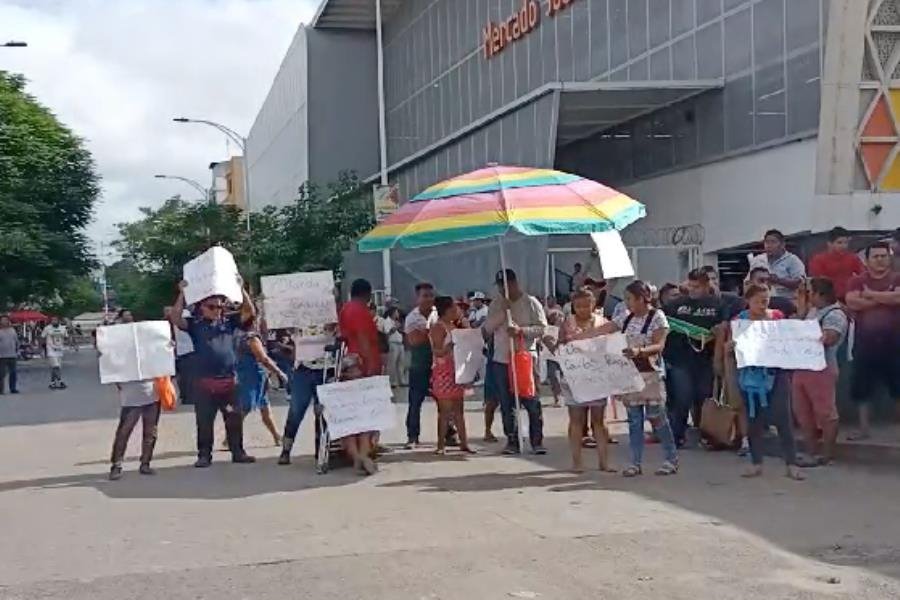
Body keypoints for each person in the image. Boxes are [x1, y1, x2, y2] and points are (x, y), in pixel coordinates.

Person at [170, 278, 257, 468]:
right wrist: (182, 293)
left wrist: (241, 289)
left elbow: (250, 312)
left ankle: (238, 452)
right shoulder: (195, 325)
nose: (217, 310)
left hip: (229, 381)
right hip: (204, 383)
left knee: (234, 419)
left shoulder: (230, 323)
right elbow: (175, 317)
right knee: (204, 422)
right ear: (202, 307)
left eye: (219, 306)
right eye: (212, 306)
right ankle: (204, 455)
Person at [602, 281, 678, 477]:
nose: (627, 303)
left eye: (630, 299)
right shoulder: (625, 318)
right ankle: (635, 462)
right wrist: (576, 338)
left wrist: (639, 351)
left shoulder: (657, 317)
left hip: (651, 375)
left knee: (657, 417)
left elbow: (659, 345)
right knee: (634, 420)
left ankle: (671, 458)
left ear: (642, 299)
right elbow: (604, 329)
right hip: (630, 375)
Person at [729, 284, 803, 480]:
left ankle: (791, 463)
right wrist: (734, 346)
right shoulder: (740, 320)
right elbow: (730, 347)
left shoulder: (777, 317)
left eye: (766, 300)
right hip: (751, 377)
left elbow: (789, 339)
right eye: (758, 301)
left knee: (783, 418)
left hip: (776, 373)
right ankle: (756, 463)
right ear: (748, 301)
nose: (763, 305)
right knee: (754, 420)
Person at [548, 288, 615, 472]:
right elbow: (559, 347)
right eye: (579, 306)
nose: (583, 309)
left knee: (599, 421)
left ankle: (604, 462)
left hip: (597, 378)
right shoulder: (567, 323)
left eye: (587, 305)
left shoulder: (603, 322)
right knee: (576, 420)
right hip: (574, 378)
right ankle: (577, 462)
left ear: (593, 304)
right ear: (573, 306)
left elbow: (611, 345)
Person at [483, 269, 548, 455]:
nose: (504, 290)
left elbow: (542, 329)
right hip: (501, 359)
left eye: (507, 285)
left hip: (525, 358)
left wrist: (522, 331)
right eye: (500, 286)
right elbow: (486, 330)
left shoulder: (531, 302)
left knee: (531, 400)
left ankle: (537, 440)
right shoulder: (496, 304)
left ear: (514, 283)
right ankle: (512, 440)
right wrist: (501, 315)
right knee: (506, 402)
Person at [662, 269, 725, 447]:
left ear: (706, 286)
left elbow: (724, 327)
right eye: (690, 285)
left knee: (703, 398)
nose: (692, 290)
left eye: (697, 286)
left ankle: (705, 433)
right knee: (682, 397)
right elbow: (661, 321)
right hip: (680, 359)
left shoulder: (718, 305)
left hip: (705, 359)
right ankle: (676, 435)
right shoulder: (676, 304)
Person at [845, 242, 900, 440]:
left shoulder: (897, 277)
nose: (880, 260)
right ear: (867, 260)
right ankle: (863, 429)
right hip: (865, 343)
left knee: (898, 387)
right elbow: (852, 301)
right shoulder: (857, 281)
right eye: (875, 256)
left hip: (894, 342)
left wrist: (870, 296)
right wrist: (886, 297)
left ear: (889, 258)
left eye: (883, 256)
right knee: (862, 388)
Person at [791, 278, 848, 466]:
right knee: (803, 412)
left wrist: (804, 334)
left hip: (821, 368)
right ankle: (811, 451)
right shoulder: (813, 311)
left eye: (808, 292)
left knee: (825, 413)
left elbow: (829, 338)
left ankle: (827, 454)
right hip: (803, 366)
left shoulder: (835, 314)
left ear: (819, 294)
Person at [106, 309, 161, 480]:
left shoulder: (149, 345)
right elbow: (111, 366)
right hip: (131, 395)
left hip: (152, 392)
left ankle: (145, 463)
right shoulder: (118, 348)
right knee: (124, 431)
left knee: (150, 431)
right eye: (126, 321)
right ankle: (117, 464)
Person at [337, 278, 382, 475]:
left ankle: (356, 455)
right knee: (366, 413)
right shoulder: (360, 311)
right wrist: (370, 366)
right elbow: (363, 338)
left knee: (351, 414)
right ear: (368, 294)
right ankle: (362, 454)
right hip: (362, 364)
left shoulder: (345, 309)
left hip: (349, 363)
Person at [278, 323, 336, 465]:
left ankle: (320, 451)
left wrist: (334, 327)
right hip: (303, 368)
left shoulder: (331, 313)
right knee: (296, 410)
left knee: (322, 412)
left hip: (326, 368)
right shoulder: (298, 317)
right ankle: (286, 450)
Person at [429, 296, 475, 455]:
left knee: (459, 410)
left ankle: (464, 442)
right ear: (448, 310)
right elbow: (435, 351)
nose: (458, 311)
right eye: (455, 308)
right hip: (443, 371)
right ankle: (441, 444)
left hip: (457, 370)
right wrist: (448, 348)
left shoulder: (454, 326)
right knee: (445, 411)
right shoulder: (438, 327)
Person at [235, 315, 288, 447]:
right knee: (245, 407)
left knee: (265, 407)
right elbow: (263, 358)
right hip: (251, 375)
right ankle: (231, 436)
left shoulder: (239, 335)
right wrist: (279, 373)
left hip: (254, 375)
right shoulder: (251, 338)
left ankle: (276, 435)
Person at [404, 282, 436, 448]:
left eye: (431, 295)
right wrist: (434, 334)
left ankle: (449, 433)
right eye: (425, 296)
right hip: (419, 366)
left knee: (446, 402)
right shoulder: (412, 318)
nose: (429, 299)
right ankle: (412, 436)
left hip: (438, 366)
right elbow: (414, 340)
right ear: (417, 298)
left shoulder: (438, 314)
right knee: (415, 402)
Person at [808, 227, 865, 302]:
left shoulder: (853, 258)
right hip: (827, 299)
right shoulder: (818, 260)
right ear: (829, 244)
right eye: (839, 243)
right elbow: (819, 283)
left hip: (850, 298)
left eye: (846, 243)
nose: (844, 246)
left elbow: (863, 275)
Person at [762, 229, 806, 299]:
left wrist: (778, 280)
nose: (769, 246)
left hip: (787, 300)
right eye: (767, 242)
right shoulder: (760, 260)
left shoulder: (792, 260)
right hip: (764, 299)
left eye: (773, 242)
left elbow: (800, 283)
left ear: (782, 244)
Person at [381, 307, 406, 387]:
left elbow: (402, 332)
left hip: (400, 343)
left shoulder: (397, 321)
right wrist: (396, 327)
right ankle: (392, 381)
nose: (397, 314)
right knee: (392, 363)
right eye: (396, 312)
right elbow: (387, 332)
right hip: (393, 343)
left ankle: (402, 380)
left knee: (401, 363)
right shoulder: (387, 321)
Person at [42, 316, 68, 390]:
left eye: (56, 320)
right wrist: (42, 348)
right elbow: (42, 337)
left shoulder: (63, 328)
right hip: (51, 350)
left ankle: (52, 382)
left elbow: (66, 337)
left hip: (60, 350)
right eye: (53, 320)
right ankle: (60, 381)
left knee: (56, 367)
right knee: (55, 366)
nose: (54, 321)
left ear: (58, 321)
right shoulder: (47, 328)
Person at [0, 315, 19, 394]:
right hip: (1, 355)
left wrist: (17, 349)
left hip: (12, 354)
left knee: (13, 372)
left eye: (6, 320)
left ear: (8, 321)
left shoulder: (12, 330)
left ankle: (13, 388)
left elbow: (16, 341)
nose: (4, 321)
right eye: (3, 320)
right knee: (1, 373)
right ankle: (1, 389)